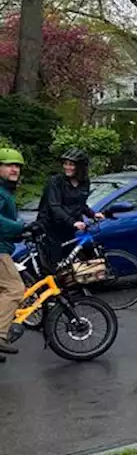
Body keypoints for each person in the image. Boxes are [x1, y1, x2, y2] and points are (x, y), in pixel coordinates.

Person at [35, 148, 105, 267]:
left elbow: (80, 204)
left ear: (80, 167)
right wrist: (73, 222)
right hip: (51, 227)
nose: (67, 167)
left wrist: (92, 214)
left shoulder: (84, 182)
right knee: (54, 263)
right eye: (65, 164)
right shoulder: (56, 182)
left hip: (68, 228)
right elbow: (55, 206)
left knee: (70, 263)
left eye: (71, 165)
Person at [0, 148, 28, 358]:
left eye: (17, 166)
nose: (14, 169)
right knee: (15, 289)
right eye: (9, 165)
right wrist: (20, 227)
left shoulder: (6, 191)